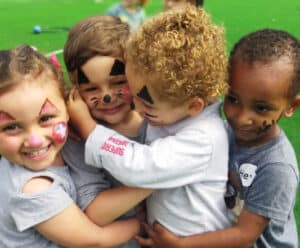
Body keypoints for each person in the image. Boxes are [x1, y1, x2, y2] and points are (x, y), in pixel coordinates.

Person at [67, 5, 232, 238]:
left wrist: (89, 128)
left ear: (194, 106)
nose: (138, 107)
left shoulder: (203, 138)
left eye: (145, 101)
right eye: (91, 88)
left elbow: (140, 165)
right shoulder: (174, 109)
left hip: (192, 240)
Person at [133, 29, 300, 248]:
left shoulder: (276, 167)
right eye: (233, 99)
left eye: (261, 108)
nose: (241, 117)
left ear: (291, 106)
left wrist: (180, 244)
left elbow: (245, 235)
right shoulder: (220, 132)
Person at [0, 45, 142, 248]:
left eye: (46, 118)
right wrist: (140, 223)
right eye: (11, 127)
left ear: (67, 109)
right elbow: (94, 240)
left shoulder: (61, 144)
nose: (35, 140)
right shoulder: (33, 190)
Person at [63, 15, 152, 248]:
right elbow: (95, 212)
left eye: (118, 82)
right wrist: (162, 175)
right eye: (91, 88)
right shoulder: (76, 140)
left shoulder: (156, 121)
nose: (107, 96)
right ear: (76, 91)